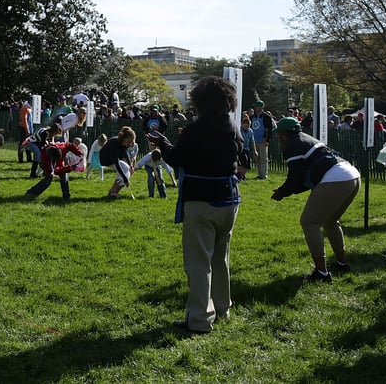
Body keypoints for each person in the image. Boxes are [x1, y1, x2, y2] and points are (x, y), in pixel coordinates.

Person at [155, 76, 244, 334]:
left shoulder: (196, 129)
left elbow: (176, 158)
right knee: (220, 258)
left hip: (201, 199)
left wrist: (163, 142)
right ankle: (223, 308)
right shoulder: (233, 126)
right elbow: (239, 154)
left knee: (198, 262)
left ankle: (200, 320)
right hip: (229, 199)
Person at [271, 116, 361, 282]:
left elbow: (295, 178)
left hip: (336, 178)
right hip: (352, 174)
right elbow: (305, 178)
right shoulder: (306, 139)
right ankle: (341, 263)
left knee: (309, 222)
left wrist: (283, 192)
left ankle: (322, 273)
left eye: (279, 135)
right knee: (330, 222)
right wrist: (288, 190)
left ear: (284, 135)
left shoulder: (292, 145)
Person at [100, 126, 138, 199]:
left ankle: (113, 191)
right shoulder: (115, 144)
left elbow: (126, 153)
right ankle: (113, 192)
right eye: (129, 142)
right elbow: (117, 164)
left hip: (113, 159)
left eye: (131, 142)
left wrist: (131, 166)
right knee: (124, 170)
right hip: (106, 159)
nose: (130, 144)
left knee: (127, 169)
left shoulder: (123, 143)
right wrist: (125, 179)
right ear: (124, 138)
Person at [249, 100, 274, 179]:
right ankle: (259, 174)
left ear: (261, 107)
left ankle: (263, 175)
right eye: (255, 106)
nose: (255, 108)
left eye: (257, 106)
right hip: (254, 140)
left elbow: (270, 129)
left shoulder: (266, 117)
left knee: (264, 159)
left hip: (263, 141)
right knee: (257, 158)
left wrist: (267, 140)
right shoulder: (252, 117)